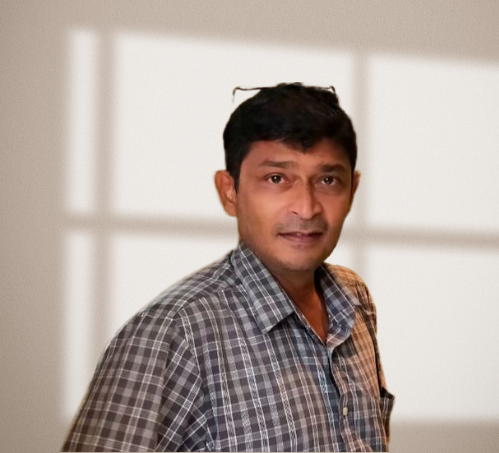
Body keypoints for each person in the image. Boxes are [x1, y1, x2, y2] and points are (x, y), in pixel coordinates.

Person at [62, 83, 394, 452]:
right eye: (276, 179)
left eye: (328, 180)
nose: (306, 207)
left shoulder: (353, 298)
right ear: (229, 191)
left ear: (352, 190)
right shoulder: (172, 334)